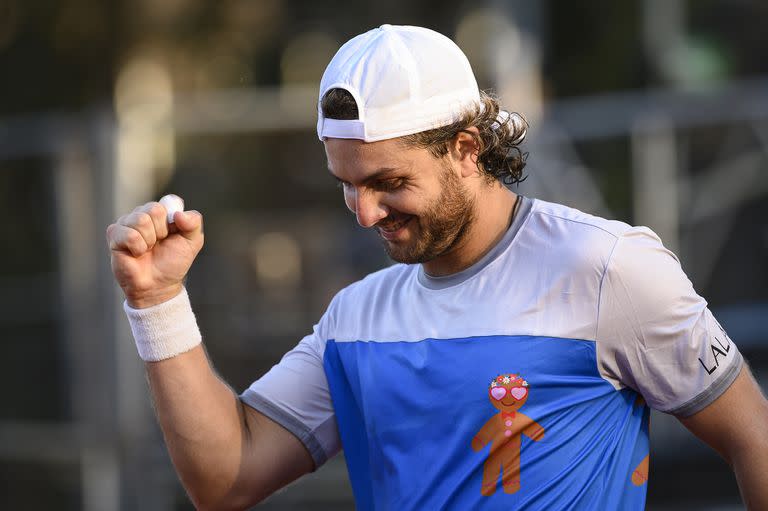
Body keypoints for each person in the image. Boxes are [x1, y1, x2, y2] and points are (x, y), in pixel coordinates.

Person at [106, 24, 768, 510]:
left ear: (465, 149)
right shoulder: (355, 316)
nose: (363, 213)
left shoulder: (607, 267)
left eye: (389, 181)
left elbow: (753, 435)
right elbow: (226, 477)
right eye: (348, 184)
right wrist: (157, 299)